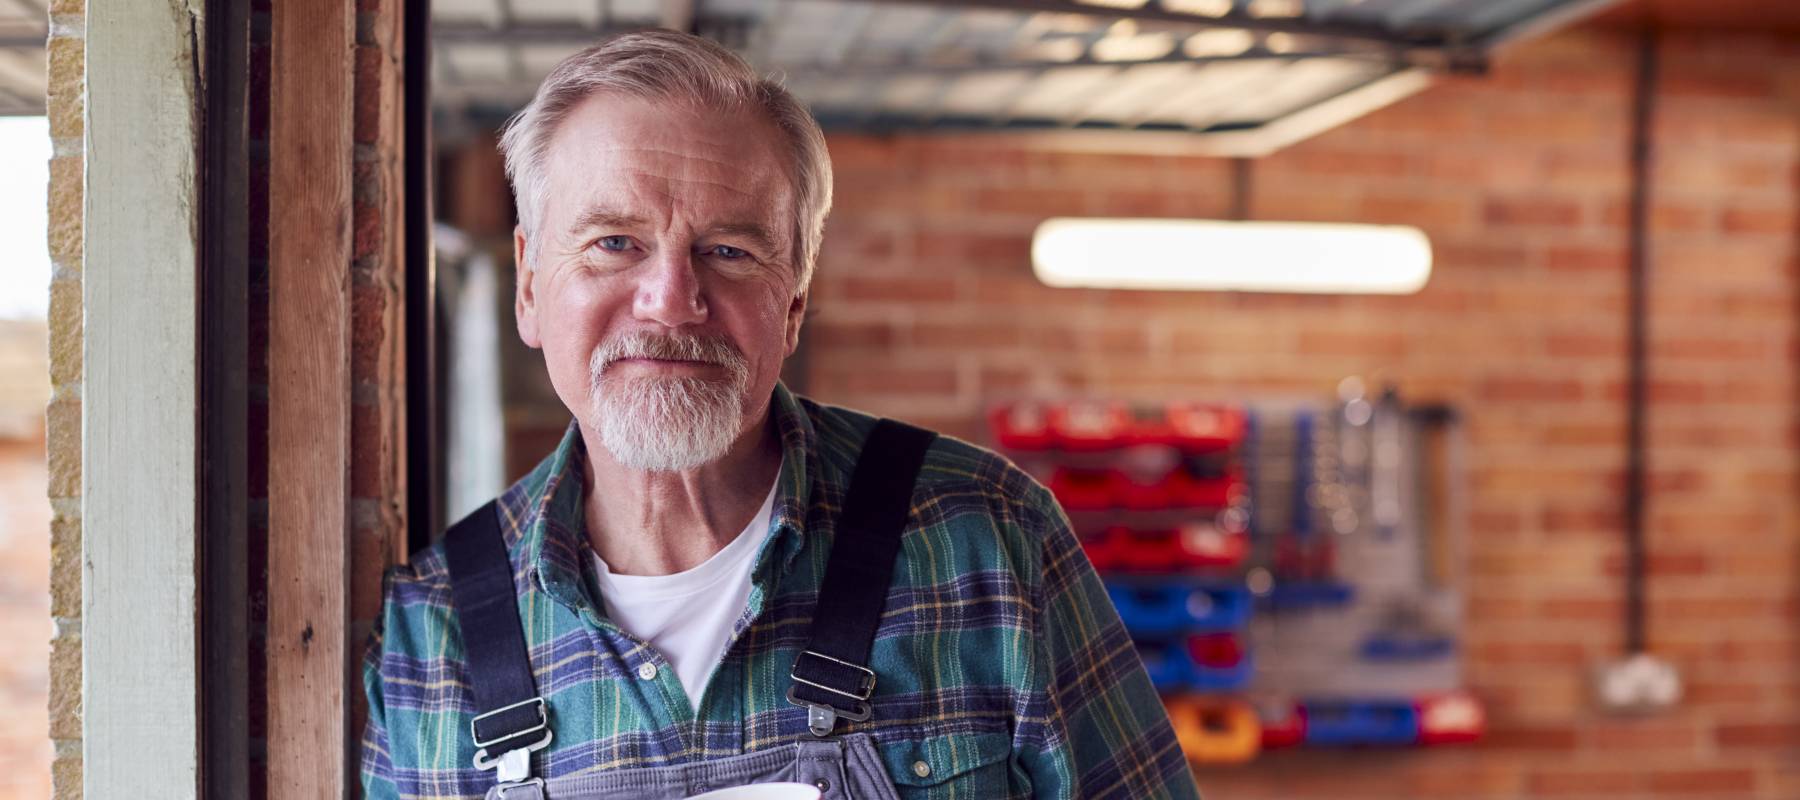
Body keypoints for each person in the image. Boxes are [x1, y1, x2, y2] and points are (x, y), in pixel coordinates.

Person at [359, 29, 1199, 800]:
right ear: (532, 284)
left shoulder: (986, 538)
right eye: (614, 243)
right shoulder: (429, 639)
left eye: (729, 251)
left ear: (794, 300)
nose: (671, 301)